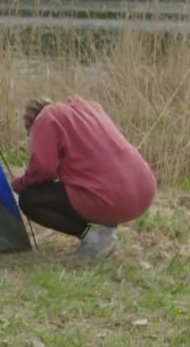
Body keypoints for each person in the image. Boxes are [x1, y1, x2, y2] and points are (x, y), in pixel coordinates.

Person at [11, 96, 157, 259]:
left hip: (114, 198)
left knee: (30, 199)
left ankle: (95, 240)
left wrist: (19, 184)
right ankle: (106, 232)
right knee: (93, 181)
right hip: (144, 189)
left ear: (32, 124)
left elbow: (43, 169)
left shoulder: (46, 119)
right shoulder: (88, 109)